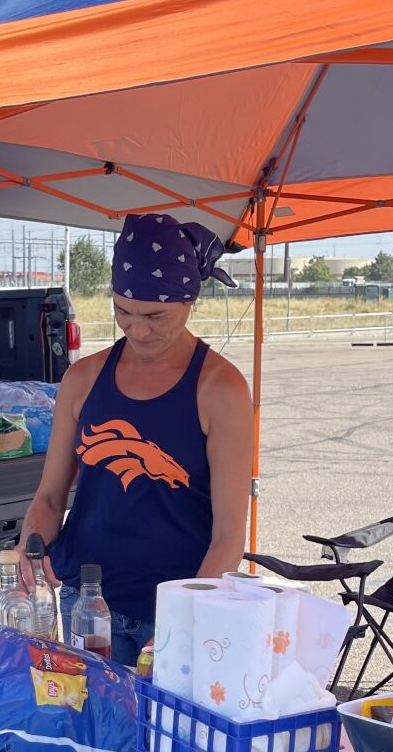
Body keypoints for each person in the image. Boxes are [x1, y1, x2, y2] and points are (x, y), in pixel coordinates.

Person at [17, 213, 255, 664]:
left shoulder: (220, 389)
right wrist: (31, 550)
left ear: (189, 301)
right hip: (86, 603)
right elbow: (49, 498)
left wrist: (185, 625)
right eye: (123, 311)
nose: (138, 330)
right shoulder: (83, 378)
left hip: (172, 612)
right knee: (91, 725)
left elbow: (228, 538)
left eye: (154, 315)